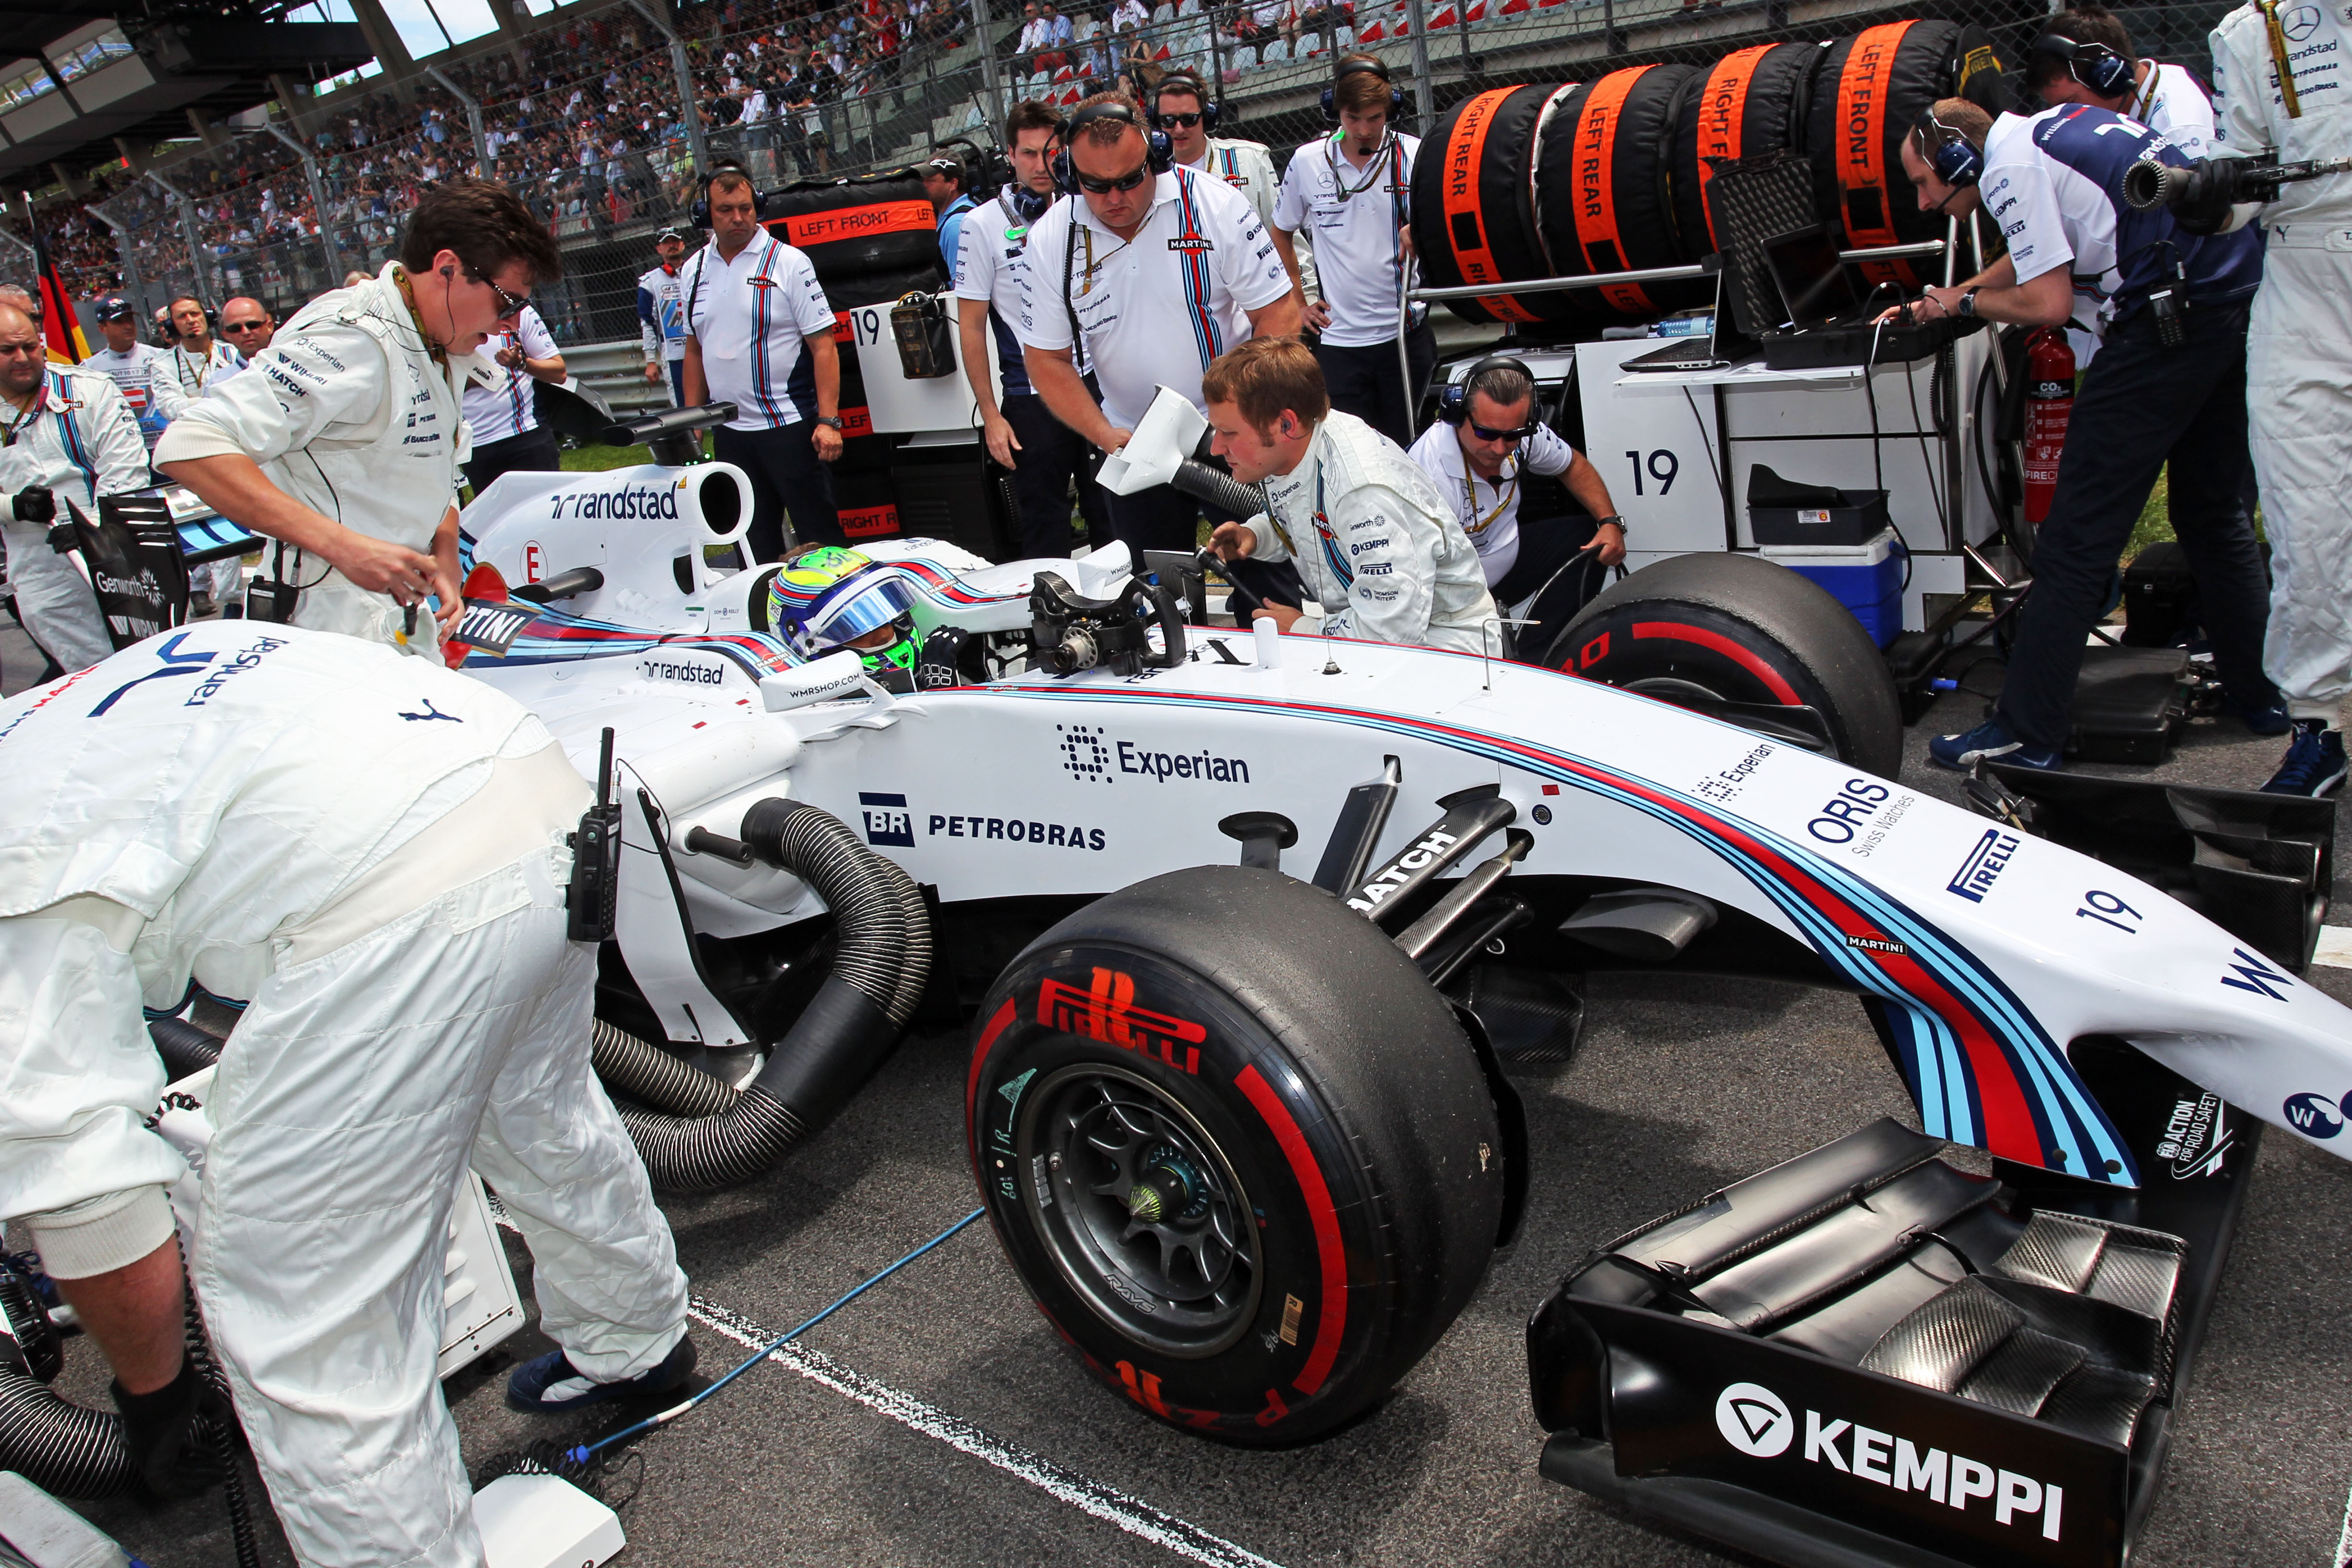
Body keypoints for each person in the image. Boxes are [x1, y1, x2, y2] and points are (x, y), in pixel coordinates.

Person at [0, 623, 692, 1568]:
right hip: (533, 783)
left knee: (303, 1304)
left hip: (400, 886)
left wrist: (156, 1400)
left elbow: (87, 1194)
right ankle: (636, 1340)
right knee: (537, 1106)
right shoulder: (44, 724)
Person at [1881, 99, 2278, 773]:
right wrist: (1951, 295)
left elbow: (2047, 303)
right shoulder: (2044, 133)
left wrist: (1970, 304)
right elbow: (2042, 254)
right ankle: (2262, 696)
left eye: (1923, 181)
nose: (1923, 202)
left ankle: (2024, 731)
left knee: (2075, 536)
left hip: (2166, 321)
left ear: (1956, 157)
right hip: (2228, 297)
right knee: (2212, 513)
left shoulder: (2009, 170)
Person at [157, 180, 564, 652]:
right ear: (448, 270)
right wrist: (346, 548)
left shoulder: (438, 337)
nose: (511, 324)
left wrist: (446, 553)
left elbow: (437, 461)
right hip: (327, 624)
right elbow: (192, 444)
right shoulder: (352, 339)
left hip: (399, 615)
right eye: (508, 301)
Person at [1016, 94, 1299, 559]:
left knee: (1266, 577)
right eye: (1095, 184)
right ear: (1070, 175)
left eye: (1129, 180)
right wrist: (1104, 434)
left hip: (1231, 433)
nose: (1114, 198)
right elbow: (1046, 359)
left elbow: (1279, 314)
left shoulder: (1214, 205)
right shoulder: (1052, 238)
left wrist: (1242, 413)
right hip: (1132, 441)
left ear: (1158, 159)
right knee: (1160, 594)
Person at [2208, 0, 2352, 793]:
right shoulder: (2247, 30)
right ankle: (2318, 726)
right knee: (2307, 521)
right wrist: (2216, 194)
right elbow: (2241, 175)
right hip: (2302, 284)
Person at [1204, 336, 1495, 652]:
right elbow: (1310, 518)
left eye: (1229, 433)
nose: (1216, 447)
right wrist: (1257, 534)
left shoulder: (1365, 495)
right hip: (1380, 638)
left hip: (1449, 649)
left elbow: (1391, 633)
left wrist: (1302, 628)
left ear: (1285, 423)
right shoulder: (1301, 443)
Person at [955, 99, 1112, 558]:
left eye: (1052, 152)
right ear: (1009, 154)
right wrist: (991, 416)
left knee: (1111, 506)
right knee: (1044, 521)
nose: (1042, 165)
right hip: (1030, 392)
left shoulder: (1085, 207)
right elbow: (971, 327)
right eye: (1028, 154)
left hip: (1100, 379)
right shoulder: (980, 226)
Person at [1407, 356, 1626, 662]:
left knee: (1590, 538)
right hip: (1452, 591)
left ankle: (1541, 656)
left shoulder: (1525, 434)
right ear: (1456, 415)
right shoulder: (1429, 472)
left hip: (1504, 559)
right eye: (1486, 434)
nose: (1499, 448)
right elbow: (1422, 578)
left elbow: (1574, 465)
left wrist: (1611, 522)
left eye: (1511, 435)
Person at [680, 165, 845, 560]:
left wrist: (829, 420)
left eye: (746, 208)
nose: (738, 218)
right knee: (753, 547)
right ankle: (765, 617)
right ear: (707, 214)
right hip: (732, 433)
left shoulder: (790, 263)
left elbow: (824, 344)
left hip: (789, 427)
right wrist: (693, 426)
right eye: (725, 210)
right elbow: (694, 350)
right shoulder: (694, 270)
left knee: (820, 539)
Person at [1271, 56, 1430, 447]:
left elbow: (1446, 227)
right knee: (1355, 455)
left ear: (1392, 109)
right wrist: (1299, 304)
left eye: (1375, 118)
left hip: (1404, 335)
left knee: (1414, 449)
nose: (1363, 130)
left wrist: (1424, 232)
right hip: (1339, 344)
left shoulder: (1415, 153)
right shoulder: (1309, 160)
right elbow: (1280, 231)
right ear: (1334, 111)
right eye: (1352, 118)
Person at [0, 301, 149, 674]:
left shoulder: (91, 389)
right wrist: (13, 507)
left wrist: (94, 526)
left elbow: (127, 467)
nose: (22, 358)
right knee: (94, 674)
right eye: (7, 351)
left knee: (149, 661)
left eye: (30, 347)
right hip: (39, 564)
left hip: (118, 548)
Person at [1149, 73, 1310, 299]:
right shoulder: (1145, 176)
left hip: (1255, 299)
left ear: (1208, 117)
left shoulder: (1249, 160)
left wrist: (1306, 299)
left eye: (1189, 119)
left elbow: (1285, 235)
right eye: (1168, 121)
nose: (1178, 129)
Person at [2031, 6, 2217, 156]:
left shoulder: (2178, 126)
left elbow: (2200, 202)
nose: (2066, 117)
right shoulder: (2162, 77)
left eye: (2071, 103)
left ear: (2110, 76)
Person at [464, 303, 568, 493]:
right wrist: (472, 380)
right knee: (495, 522)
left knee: (544, 517)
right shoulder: (443, 318)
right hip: (475, 446)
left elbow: (559, 373)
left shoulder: (518, 311)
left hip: (527, 437)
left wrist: (521, 363)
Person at [86, 295, 187, 466]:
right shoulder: (90, 368)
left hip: (168, 445)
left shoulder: (160, 357)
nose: (128, 326)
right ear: (102, 328)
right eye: (119, 322)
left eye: (130, 320)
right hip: (123, 453)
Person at [638, 227, 693, 406]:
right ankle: (691, 434)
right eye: (667, 243)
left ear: (683, 245)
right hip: (673, 354)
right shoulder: (649, 282)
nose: (672, 246)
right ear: (659, 249)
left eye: (675, 242)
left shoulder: (696, 273)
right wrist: (651, 362)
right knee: (682, 406)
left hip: (702, 350)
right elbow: (647, 322)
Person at [162, 295, 245, 401]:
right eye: (182, 316)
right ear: (172, 326)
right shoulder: (164, 364)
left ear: (208, 317)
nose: (191, 320)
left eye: (195, 314)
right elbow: (172, 407)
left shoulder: (234, 353)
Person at [921, 153, 979, 275]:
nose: (924, 185)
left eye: (930, 181)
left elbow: (961, 287)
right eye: (923, 180)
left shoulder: (955, 226)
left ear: (953, 184)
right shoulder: (949, 215)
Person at [217, 296, 277, 363]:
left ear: (269, 327)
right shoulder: (224, 374)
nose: (246, 332)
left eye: (253, 325)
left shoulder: (290, 363)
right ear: (226, 335)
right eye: (235, 328)